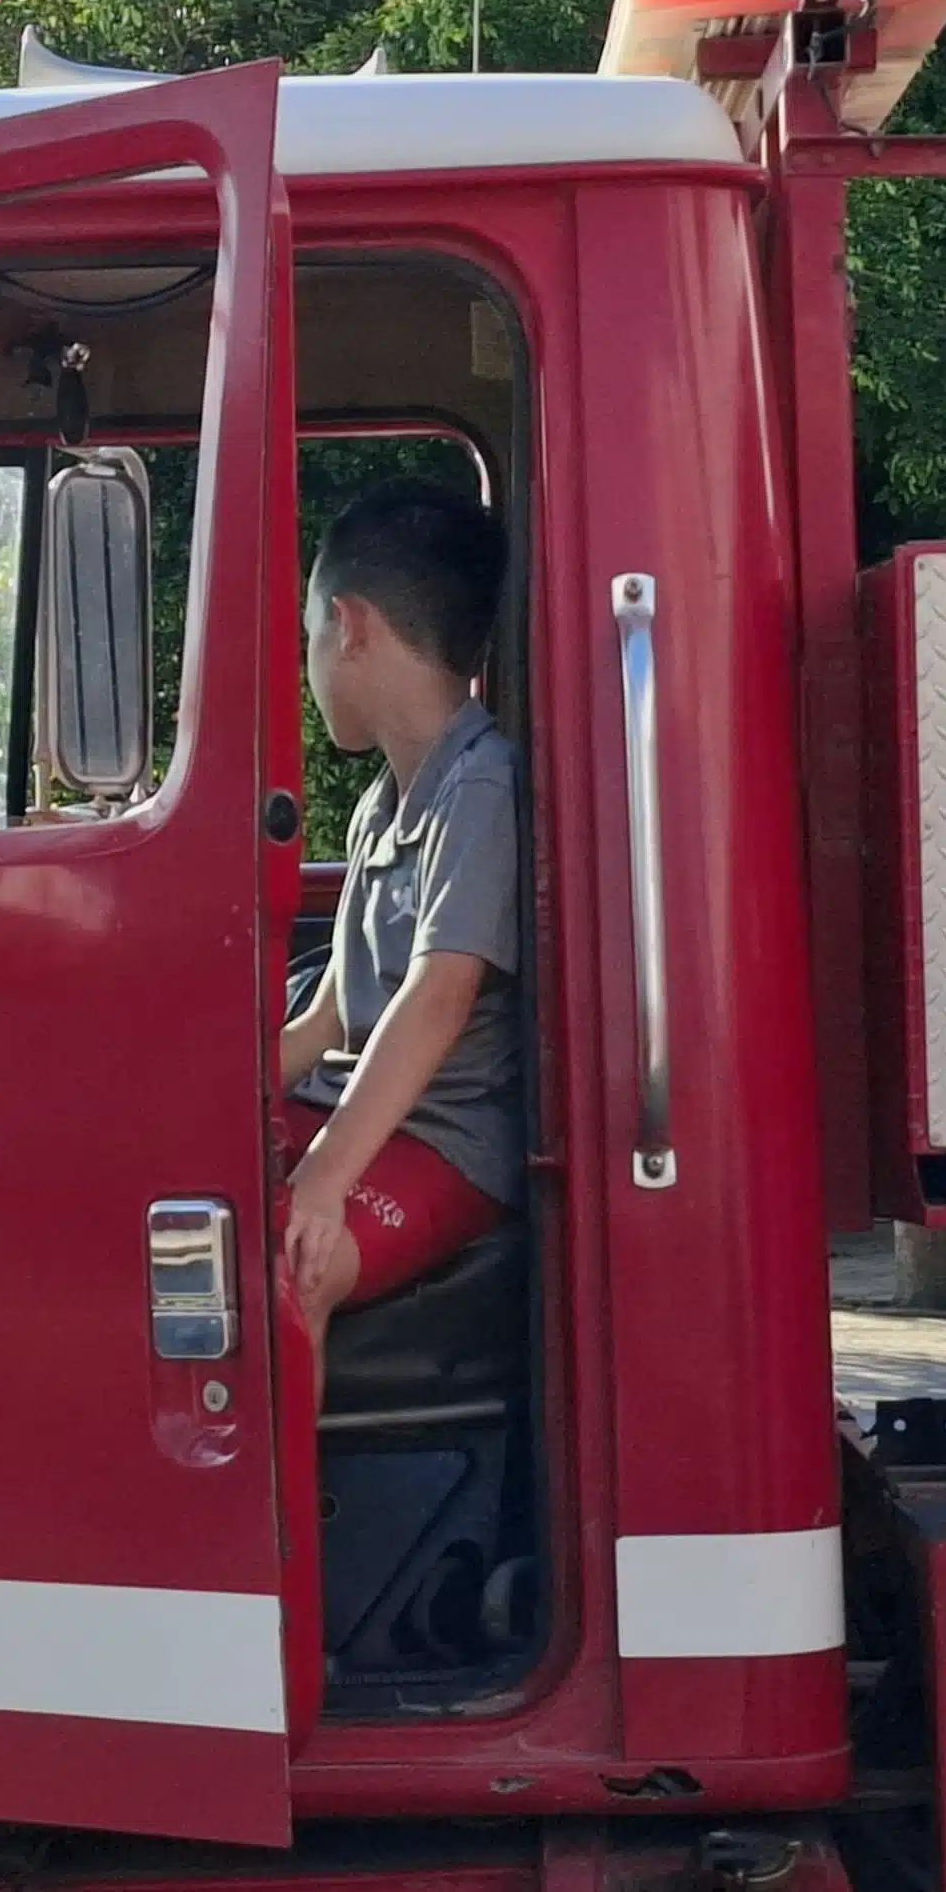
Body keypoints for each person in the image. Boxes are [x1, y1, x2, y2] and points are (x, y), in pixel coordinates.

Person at [277, 482, 522, 1334]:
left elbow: (436, 999)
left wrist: (324, 1172)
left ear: (348, 626)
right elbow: (333, 1015)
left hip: (443, 1145)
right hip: (361, 1118)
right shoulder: (383, 805)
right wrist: (188, 1104)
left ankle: (284, 1477)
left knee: (281, 1271)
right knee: (154, 1183)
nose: (308, 660)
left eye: (308, 634)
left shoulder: (481, 789)